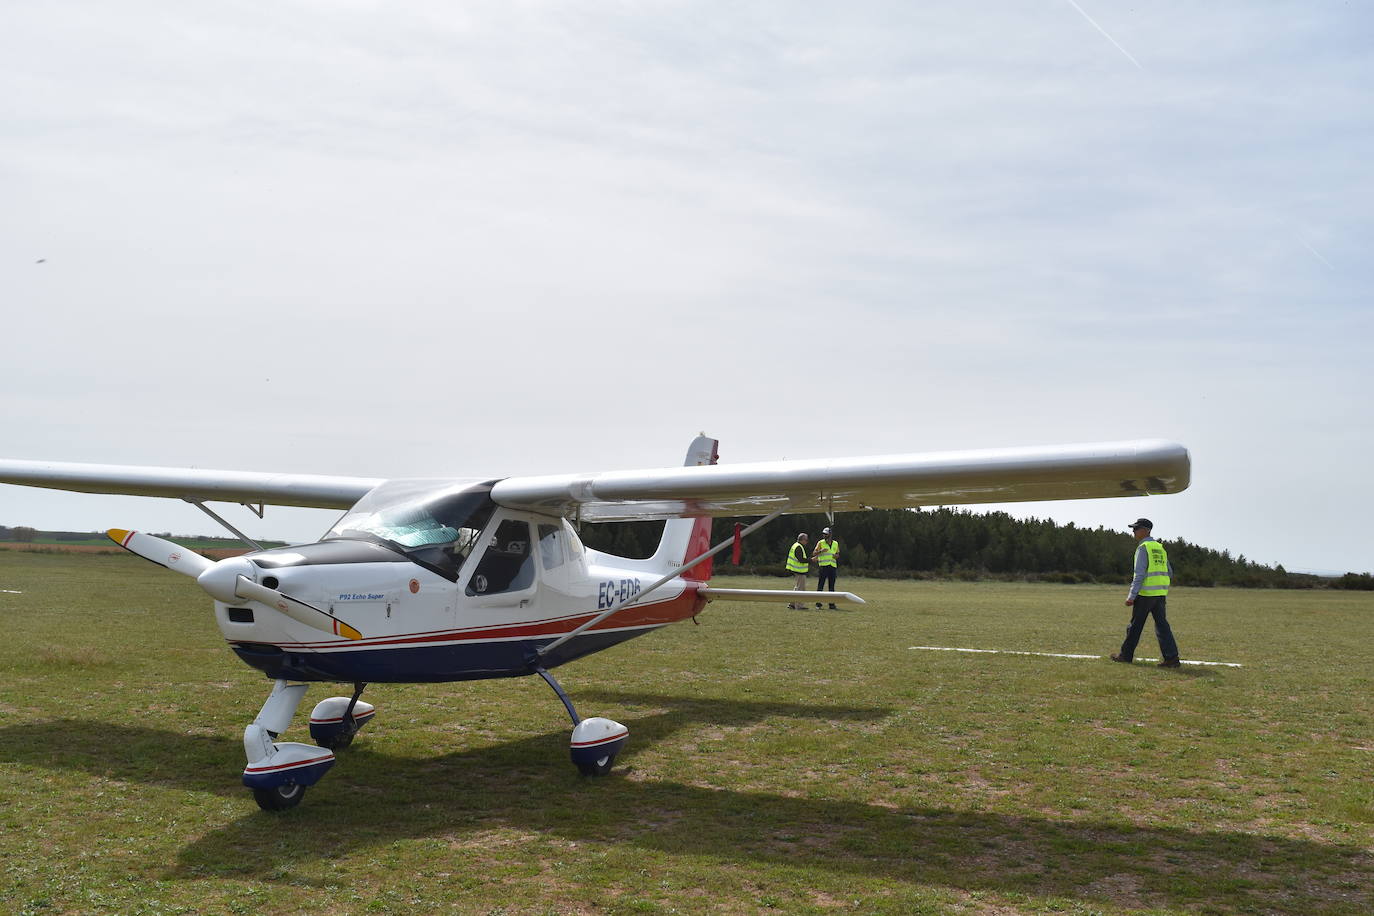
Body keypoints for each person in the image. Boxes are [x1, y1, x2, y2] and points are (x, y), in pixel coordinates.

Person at [1111, 518, 1181, 668]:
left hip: (1145, 595)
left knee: (1135, 626)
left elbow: (1139, 575)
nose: (1133, 531)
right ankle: (1172, 658)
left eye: (1136, 528)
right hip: (1160, 594)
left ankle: (1125, 656)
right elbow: (1169, 572)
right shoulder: (1160, 547)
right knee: (1162, 626)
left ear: (1146, 530)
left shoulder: (1143, 547)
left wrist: (1131, 596)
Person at [811, 526, 840, 609]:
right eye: (823, 534)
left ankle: (831, 604)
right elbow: (814, 553)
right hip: (823, 567)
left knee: (832, 586)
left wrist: (836, 556)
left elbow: (838, 554)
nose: (824, 536)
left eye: (826, 534)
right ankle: (818, 604)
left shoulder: (835, 543)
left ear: (830, 535)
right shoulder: (820, 543)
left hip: (832, 566)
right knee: (821, 585)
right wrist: (821, 551)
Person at [785, 532, 810, 609]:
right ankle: (799, 606)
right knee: (801, 589)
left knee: (797, 587)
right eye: (806, 540)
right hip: (799, 571)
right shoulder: (799, 547)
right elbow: (801, 560)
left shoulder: (795, 545)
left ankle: (792, 604)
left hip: (796, 570)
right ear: (802, 540)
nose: (807, 541)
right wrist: (812, 560)